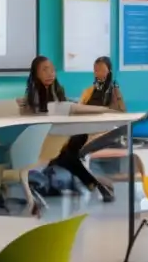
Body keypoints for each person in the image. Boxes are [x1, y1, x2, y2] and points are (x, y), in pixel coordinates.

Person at [50, 56, 127, 202]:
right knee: (68, 154)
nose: (99, 73)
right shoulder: (88, 91)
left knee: (66, 156)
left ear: (109, 71)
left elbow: (121, 114)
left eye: (102, 70)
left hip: (102, 133)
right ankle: (96, 183)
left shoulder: (114, 92)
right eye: (96, 70)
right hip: (84, 131)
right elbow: (79, 110)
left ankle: (92, 183)